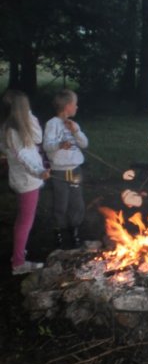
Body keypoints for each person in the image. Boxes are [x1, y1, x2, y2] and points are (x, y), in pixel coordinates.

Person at [0, 90, 50, 275]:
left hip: (26, 179)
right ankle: (19, 263)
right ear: (21, 108)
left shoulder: (15, 127)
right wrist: (39, 171)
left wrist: (28, 117)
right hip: (27, 180)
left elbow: (38, 138)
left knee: (24, 220)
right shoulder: (12, 132)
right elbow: (22, 157)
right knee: (24, 222)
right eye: (26, 107)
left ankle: (19, 253)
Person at [43, 89, 88, 248]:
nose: (77, 107)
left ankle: (74, 231)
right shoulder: (52, 124)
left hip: (75, 170)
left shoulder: (74, 125)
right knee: (61, 203)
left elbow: (84, 144)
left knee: (77, 202)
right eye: (75, 104)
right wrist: (60, 145)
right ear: (67, 106)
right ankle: (59, 232)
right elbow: (47, 146)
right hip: (60, 172)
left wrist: (76, 131)